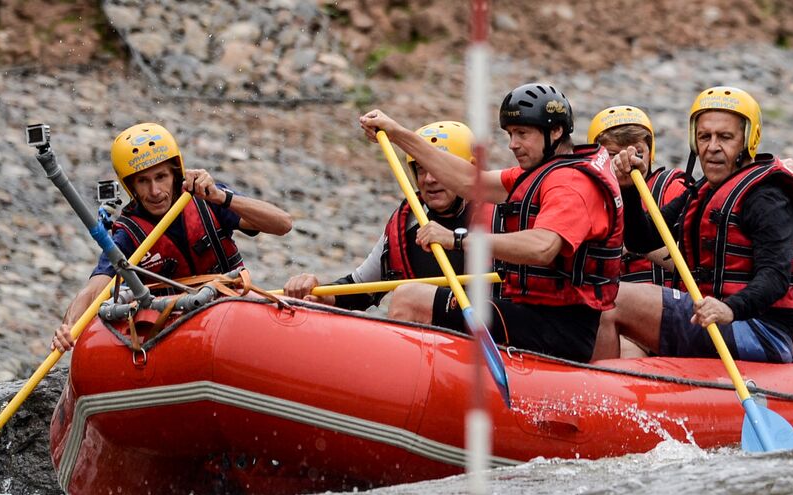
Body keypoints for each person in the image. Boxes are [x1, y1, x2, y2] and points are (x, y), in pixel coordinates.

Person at [358, 83, 624, 363]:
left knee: (409, 299)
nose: (513, 144)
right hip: (535, 315)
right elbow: (470, 182)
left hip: (558, 328)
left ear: (555, 131)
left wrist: (457, 239)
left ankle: (404, 394)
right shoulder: (545, 171)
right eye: (510, 134)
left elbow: (542, 247)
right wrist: (398, 134)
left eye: (522, 134)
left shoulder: (571, 185)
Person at [594, 86, 793, 363]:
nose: (712, 147)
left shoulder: (768, 196)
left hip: (758, 332)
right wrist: (627, 189)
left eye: (725, 137)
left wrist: (730, 309)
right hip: (710, 319)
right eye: (704, 137)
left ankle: (598, 397)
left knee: (610, 299)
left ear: (748, 140)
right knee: (603, 294)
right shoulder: (703, 190)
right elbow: (643, 240)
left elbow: (775, 276)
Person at [52, 122, 292, 350]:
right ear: (130, 187)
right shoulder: (128, 233)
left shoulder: (206, 198)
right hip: (173, 329)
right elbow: (95, 289)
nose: (155, 191)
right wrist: (69, 325)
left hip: (232, 309)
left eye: (161, 177)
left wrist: (222, 197)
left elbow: (282, 224)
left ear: (175, 174)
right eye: (143, 181)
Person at [283, 121, 477, 310]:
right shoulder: (408, 221)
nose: (429, 179)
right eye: (420, 168)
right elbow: (359, 288)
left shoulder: (497, 215)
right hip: (429, 335)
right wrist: (320, 293)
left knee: (406, 296)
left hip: (487, 329)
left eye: (438, 168)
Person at [587, 105, 691, 285]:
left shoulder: (672, 189)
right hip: (606, 297)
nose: (626, 159)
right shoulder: (583, 196)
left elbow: (698, 265)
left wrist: (634, 244)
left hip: (663, 297)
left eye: (637, 151)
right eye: (613, 153)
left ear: (650, 152)